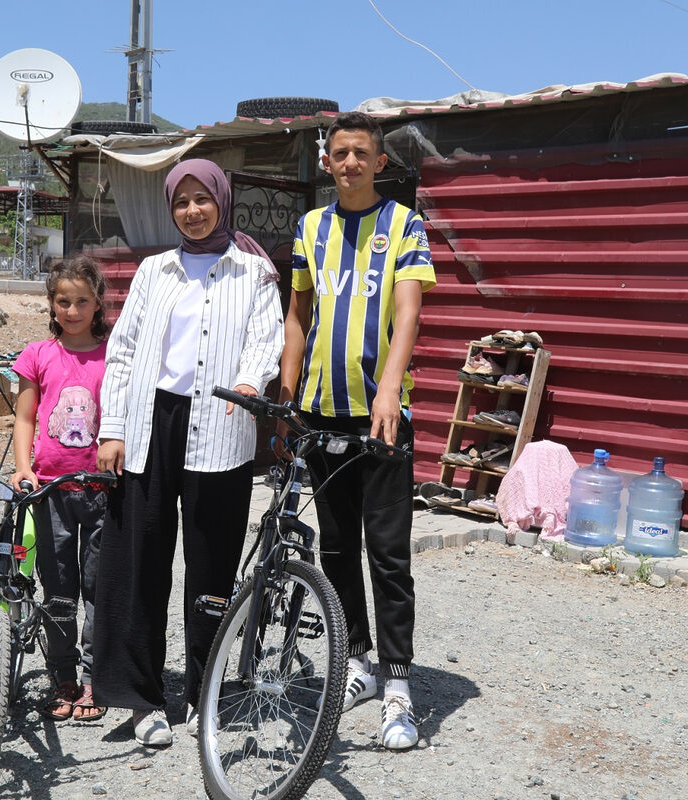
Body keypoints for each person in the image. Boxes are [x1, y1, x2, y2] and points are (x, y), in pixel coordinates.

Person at [92, 158, 284, 747]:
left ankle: (206, 691)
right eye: (182, 201)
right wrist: (113, 428)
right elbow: (122, 352)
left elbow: (265, 338)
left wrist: (252, 381)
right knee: (138, 561)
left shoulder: (253, 273)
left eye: (203, 199)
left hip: (222, 425)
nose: (193, 211)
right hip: (153, 425)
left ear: (222, 201)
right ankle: (142, 698)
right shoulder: (155, 271)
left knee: (212, 567)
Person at [277, 111, 436, 751]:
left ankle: (399, 689)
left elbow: (408, 315)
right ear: (327, 160)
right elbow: (297, 315)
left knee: (389, 555)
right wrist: (286, 397)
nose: (348, 163)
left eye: (360, 154)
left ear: (378, 162)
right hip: (320, 412)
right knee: (336, 550)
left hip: (382, 414)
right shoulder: (310, 227)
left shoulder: (405, 224)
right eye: (339, 153)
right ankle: (358, 664)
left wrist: (390, 391)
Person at [8, 255, 111, 723]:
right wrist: (23, 468)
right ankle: (63, 676)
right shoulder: (37, 355)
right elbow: (25, 417)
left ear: (97, 304)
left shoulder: (114, 355)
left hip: (103, 491)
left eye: (81, 301)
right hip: (49, 492)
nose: (72, 310)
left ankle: (95, 677)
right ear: (51, 305)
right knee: (59, 588)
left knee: (98, 587)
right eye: (62, 301)